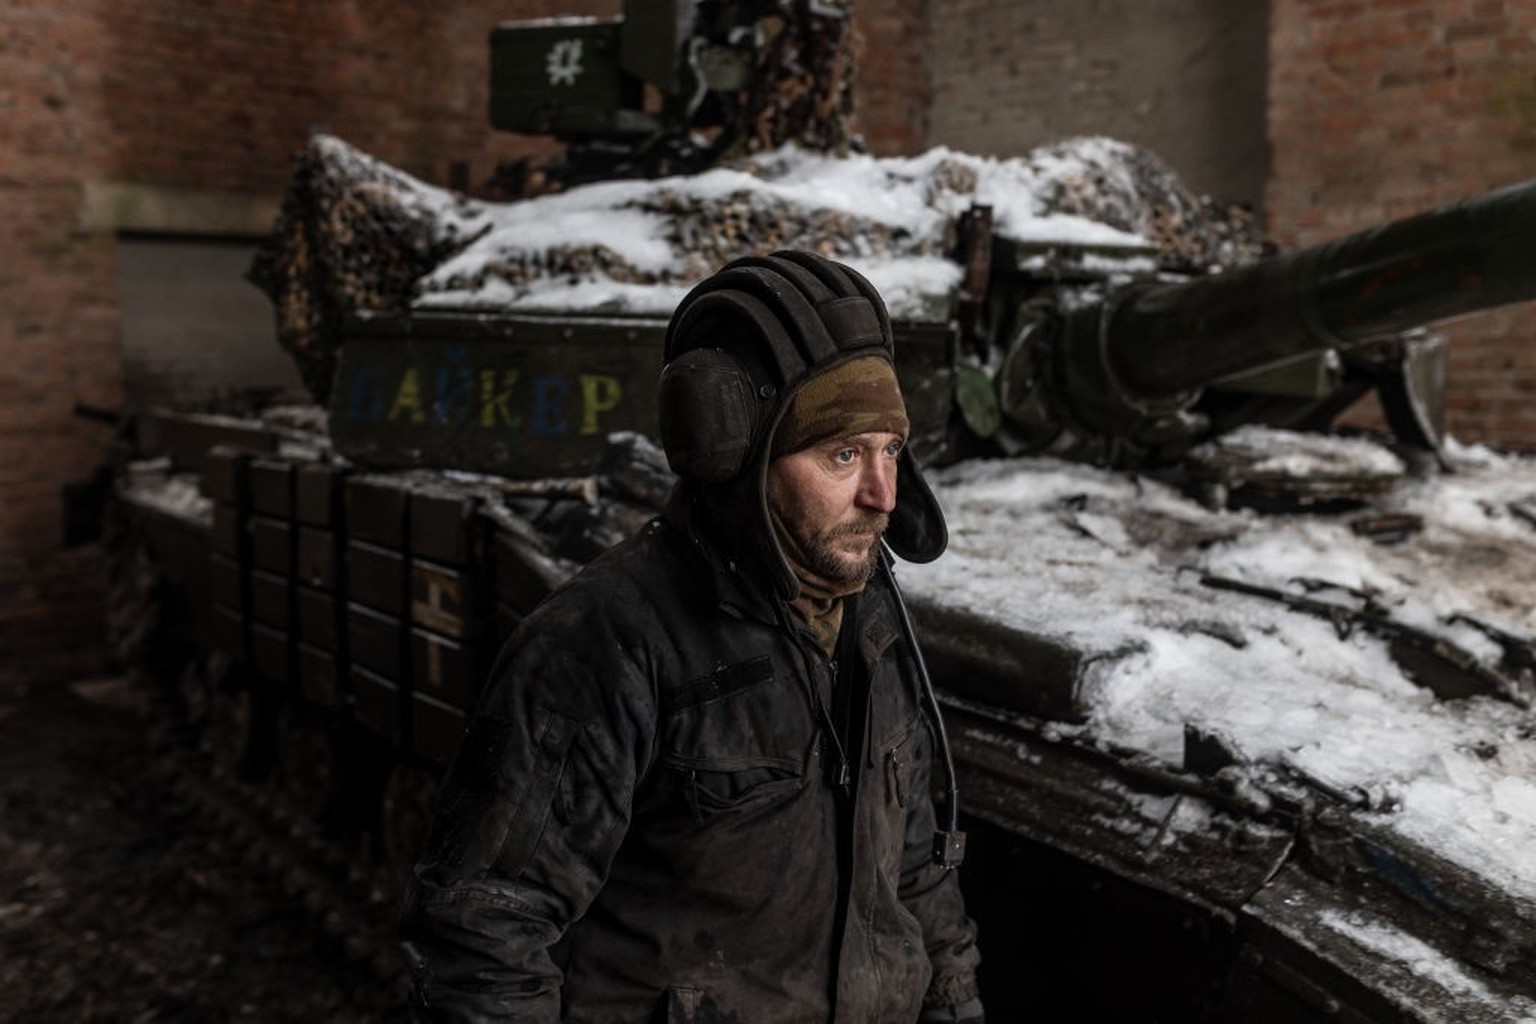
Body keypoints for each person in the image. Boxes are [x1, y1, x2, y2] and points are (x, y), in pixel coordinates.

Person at [401, 250, 983, 1023]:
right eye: (843, 453)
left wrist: (953, 1006)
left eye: (891, 451)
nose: (882, 494)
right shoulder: (606, 641)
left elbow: (913, 873)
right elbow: (487, 931)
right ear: (740, 458)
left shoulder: (873, 619)